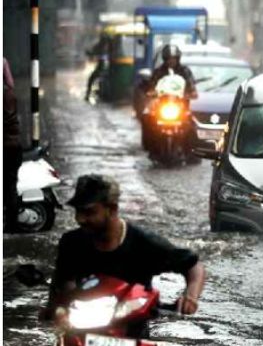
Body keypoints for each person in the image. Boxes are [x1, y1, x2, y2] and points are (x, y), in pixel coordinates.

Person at [42, 174, 205, 322]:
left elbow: (194, 267)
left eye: (89, 212)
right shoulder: (72, 242)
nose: (80, 219)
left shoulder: (145, 243)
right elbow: (63, 281)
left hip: (131, 329)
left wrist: (190, 296)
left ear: (112, 210)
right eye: (77, 212)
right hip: (82, 326)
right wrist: (60, 307)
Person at [142, 45, 199, 159]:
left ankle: (191, 152)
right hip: (162, 106)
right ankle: (151, 148)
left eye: (174, 58)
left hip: (180, 106)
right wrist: (151, 92)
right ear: (164, 59)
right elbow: (151, 86)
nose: (171, 61)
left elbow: (191, 86)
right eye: (168, 58)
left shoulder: (185, 71)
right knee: (147, 118)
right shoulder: (159, 71)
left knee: (191, 124)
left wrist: (191, 93)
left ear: (178, 58)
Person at [4, 58, 22, 231]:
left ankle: (12, 224)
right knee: (10, 185)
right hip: (13, 146)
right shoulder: (9, 93)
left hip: (6, 147)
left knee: (9, 186)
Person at [84, 33, 111, 102]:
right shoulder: (99, 46)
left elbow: (93, 53)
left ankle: (88, 94)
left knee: (92, 79)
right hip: (102, 68)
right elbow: (92, 53)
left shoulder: (110, 46)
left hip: (107, 68)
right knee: (91, 79)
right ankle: (88, 94)